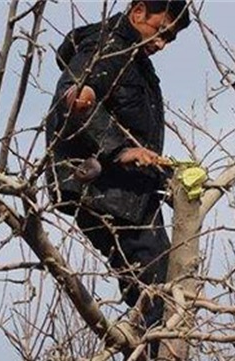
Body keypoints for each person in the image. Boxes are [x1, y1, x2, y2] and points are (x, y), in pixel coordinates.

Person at [45, 1, 191, 329]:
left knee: (161, 284)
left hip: (128, 190)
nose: (161, 44)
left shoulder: (136, 61)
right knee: (156, 288)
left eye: (170, 39)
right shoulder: (106, 47)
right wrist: (120, 149)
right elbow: (72, 100)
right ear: (138, 12)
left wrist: (163, 173)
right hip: (104, 187)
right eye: (162, 31)